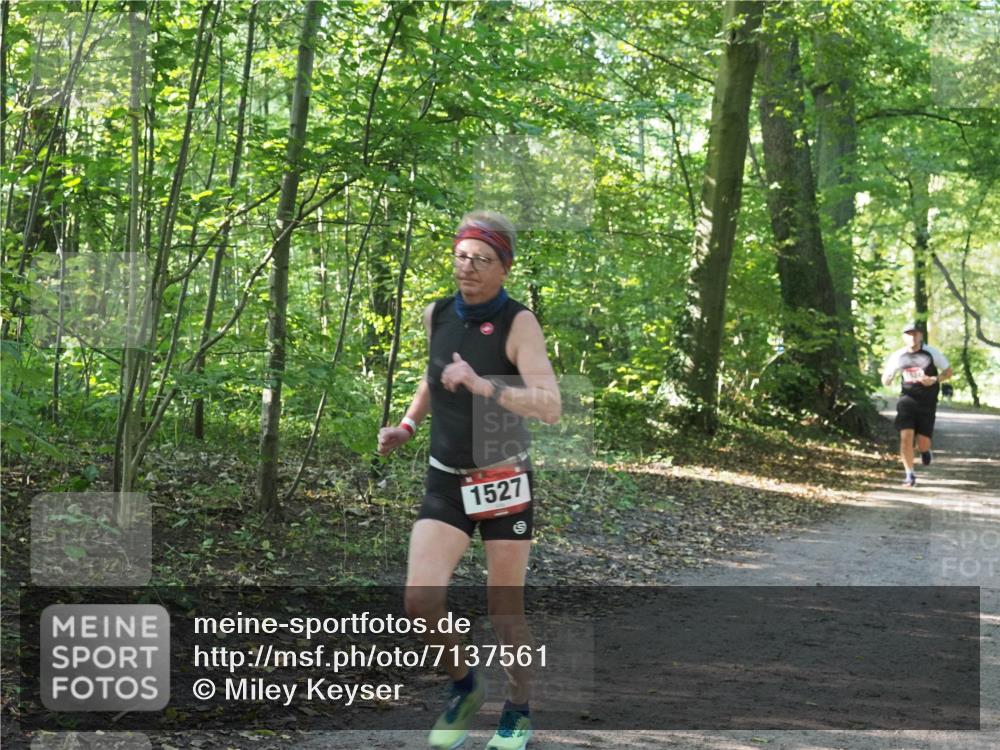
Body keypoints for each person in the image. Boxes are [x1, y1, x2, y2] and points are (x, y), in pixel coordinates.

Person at [378, 210, 560, 750]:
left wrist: (485, 386)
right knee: (420, 600)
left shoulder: (519, 323)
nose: (468, 268)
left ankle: (519, 709)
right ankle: (465, 686)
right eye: (461, 255)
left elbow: (550, 406)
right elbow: (433, 376)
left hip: (503, 476)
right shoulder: (437, 313)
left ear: (504, 266)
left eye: (481, 259)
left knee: (505, 611)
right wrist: (409, 425)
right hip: (446, 478)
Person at [881, 322, 952, 487]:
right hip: (907, 401)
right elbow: (886, 378)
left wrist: (934, 380)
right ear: (903, 337)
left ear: (921, 336)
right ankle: (909, 474)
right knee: (905, 438)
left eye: (915, 334)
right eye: (908, 334)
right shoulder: (898, 356)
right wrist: (887, 379)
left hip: (927, 402)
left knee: (922, 442)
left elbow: (948, 372)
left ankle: (925, 451)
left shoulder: (931, 353)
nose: (912, 337)